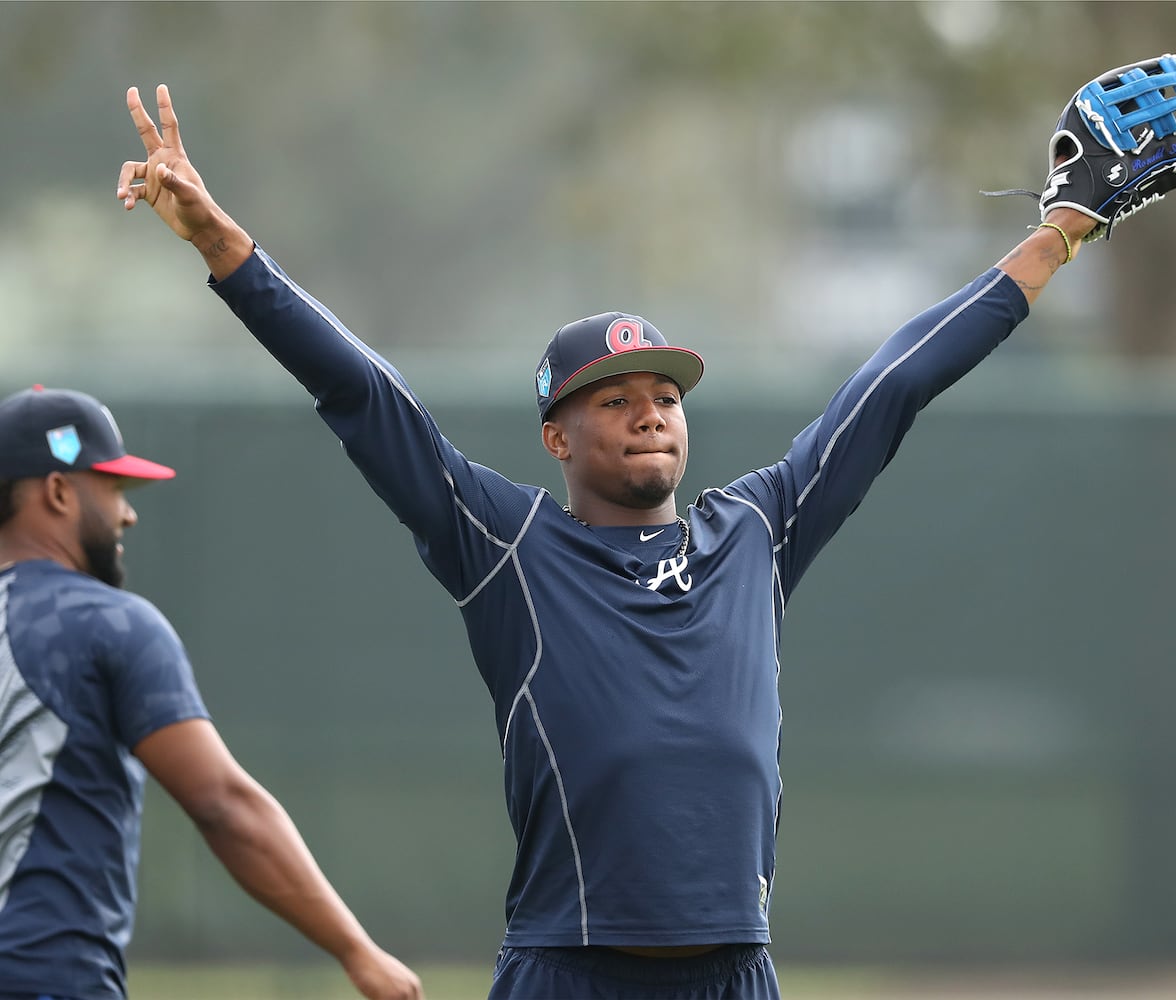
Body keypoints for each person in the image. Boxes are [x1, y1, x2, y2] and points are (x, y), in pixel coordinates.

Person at [117, 82, 1098, 1000]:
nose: (650, 414)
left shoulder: (756, 529)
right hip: (567, 966)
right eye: (616, 399)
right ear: (557, 436)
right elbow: (366, 395)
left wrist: (1052, 237)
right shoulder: (505, 544)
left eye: (665, 397)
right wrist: (222, 244)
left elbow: (890, 383)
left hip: (733, 967)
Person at [0, 385, 425, 1000]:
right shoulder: (104, 623)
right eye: (113, 488)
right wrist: (358, 952)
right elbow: (223, 805)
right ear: (59, 491)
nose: (128, 514)